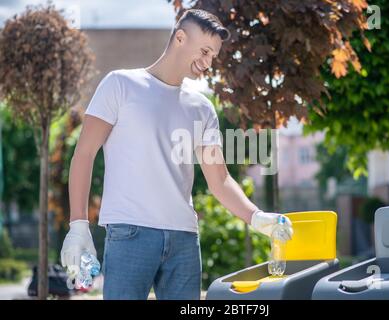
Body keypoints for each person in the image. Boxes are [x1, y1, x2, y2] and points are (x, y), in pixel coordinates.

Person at [60, 8, 293, 300]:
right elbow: (84, 154)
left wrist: (257, 217)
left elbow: (220, 180)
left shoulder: (202, 108)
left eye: (213, 56)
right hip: (131, 234)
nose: (208, 63)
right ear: (180, 38)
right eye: (205, 51)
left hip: (184, 239)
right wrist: (78, 226)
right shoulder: (120, 85)